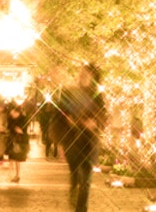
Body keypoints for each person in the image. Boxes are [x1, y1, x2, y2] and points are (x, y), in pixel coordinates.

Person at [62, 63, 106, 212]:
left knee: (85, 181)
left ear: (92, 77)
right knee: (75, 178)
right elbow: (62, 112)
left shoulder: (97, 96)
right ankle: (74, 201)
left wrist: (95, 123)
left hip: (89, 142)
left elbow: (102, 117)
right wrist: (69, 119)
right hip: (73, 142)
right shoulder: (71, 93)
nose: (82, 76)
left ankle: (81, 209)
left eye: (86, 74)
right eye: (81, 74)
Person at [5, 99, 31, 183]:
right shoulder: (10, 118)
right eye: (11, 112)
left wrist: (20, 131)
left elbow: (24, 130)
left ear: (18, 112)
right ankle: (12, 174)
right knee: (11, 158)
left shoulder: (23, 119)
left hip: (19, 141)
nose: (12, 114)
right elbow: (8, 128)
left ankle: (17, 175)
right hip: (11, 140)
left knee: (16, 158)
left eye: (13, 112)